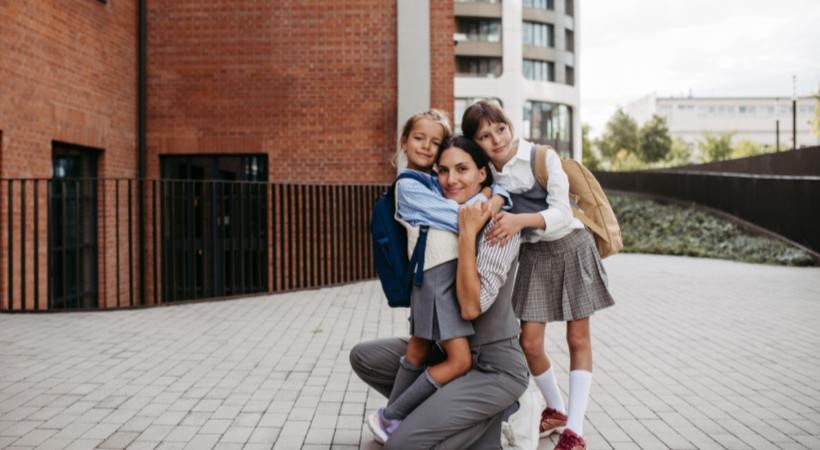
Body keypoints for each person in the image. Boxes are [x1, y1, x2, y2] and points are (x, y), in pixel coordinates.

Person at [352, 136, 529, 449]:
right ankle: (446, 413)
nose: (450, 179)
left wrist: (468, 234)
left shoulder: (500, 227)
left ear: (482, 173)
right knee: (364, 357)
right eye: (443, 170)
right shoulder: (444, 213)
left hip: (494, 368)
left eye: (462, 169)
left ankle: (495, 416)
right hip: (448, 355)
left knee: (402, 446)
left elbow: (471, 308)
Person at [461, 100, 616, 450]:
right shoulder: (487, 174)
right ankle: (556, 409)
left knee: (577, 338)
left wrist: (520, 220)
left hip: (572, 246)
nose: (497, 139)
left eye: (500, 128)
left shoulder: (542, 157)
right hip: (534, 255)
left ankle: (574, 431)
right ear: (475, 142)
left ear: (509, 126)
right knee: (529, 342)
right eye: (485, 136)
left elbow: (563, 212)